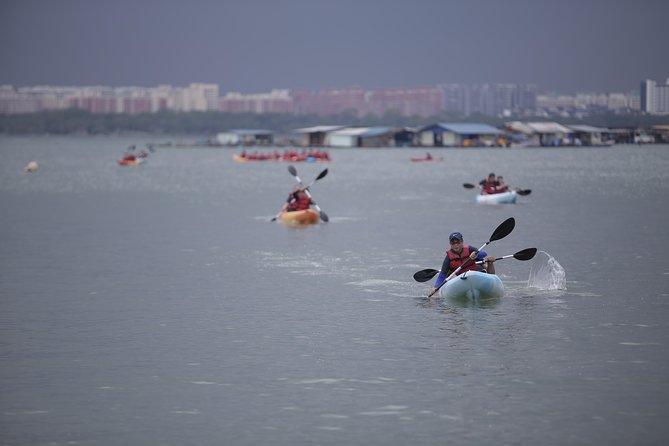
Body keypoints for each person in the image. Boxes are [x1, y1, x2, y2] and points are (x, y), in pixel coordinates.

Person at [428, 231, 496, 296]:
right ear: (450, 244)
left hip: (475, 274)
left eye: (458, 242)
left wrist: (476, 254)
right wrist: (436, 287)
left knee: (486, 263)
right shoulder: (448, 257)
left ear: (462, 242)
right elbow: (442, 274)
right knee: (450, 274)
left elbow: (484, 254)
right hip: (461, 279)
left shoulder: (470, 249)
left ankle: (489, 268)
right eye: (453, 243)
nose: (456, 245)